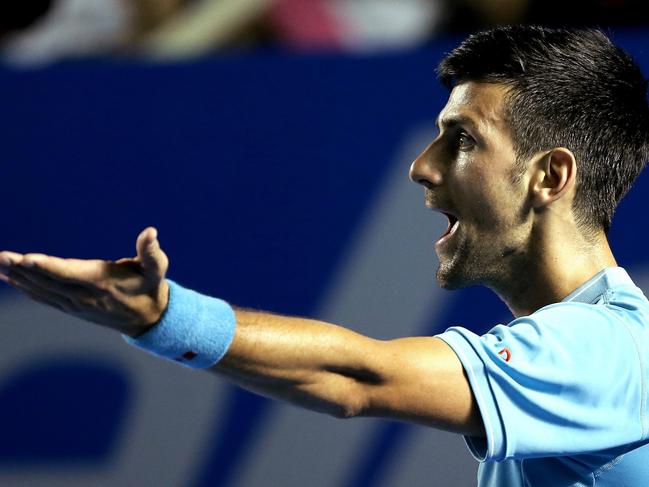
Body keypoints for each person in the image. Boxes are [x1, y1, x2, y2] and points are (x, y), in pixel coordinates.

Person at [1, 25, 649, 486]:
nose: (421, 168)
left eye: (461, 141)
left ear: (548, 177)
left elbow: (359, 377)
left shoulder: (607, 347)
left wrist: (165, 318)